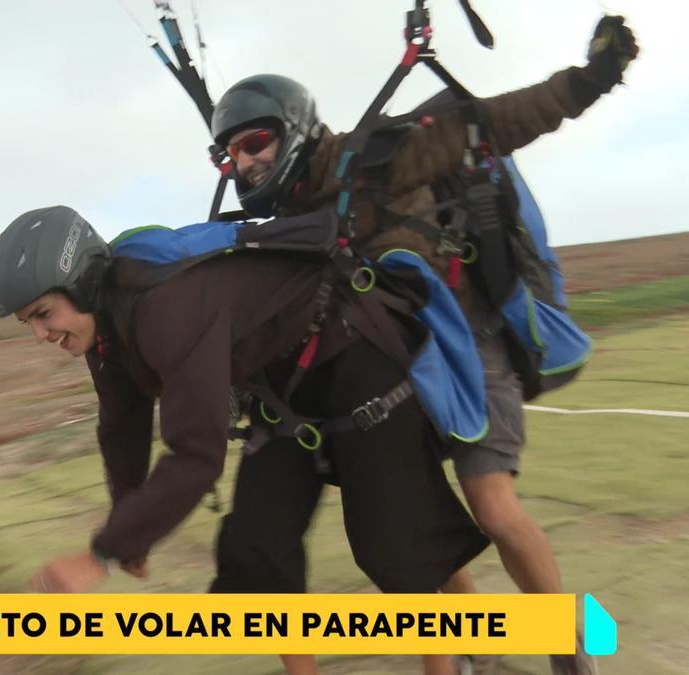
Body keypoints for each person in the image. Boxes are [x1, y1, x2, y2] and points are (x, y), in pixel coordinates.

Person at [206, 15, 638, 675]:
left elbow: (493, 123)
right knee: (412, 521)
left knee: (490, 503)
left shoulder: (380, 157)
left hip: (470, 343)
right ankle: (476, 652)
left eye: (255, 141)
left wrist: (589, 80)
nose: (244, 162)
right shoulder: (285, 224)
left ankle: (568, 649)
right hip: (396, 370)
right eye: (229, 154)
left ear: (293, 128)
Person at [0, 204, 489, 675]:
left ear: (82, 282)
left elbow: (196, 457)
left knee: (395, 550)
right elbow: (122, 426)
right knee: (256, 549)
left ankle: (458, 660)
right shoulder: (105, 332)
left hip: (356, 354)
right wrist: (128, 521)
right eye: (28, 320)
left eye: (43, 314)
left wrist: (101, 555)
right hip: (281, 385)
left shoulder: (165, 309)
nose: (39, 335)